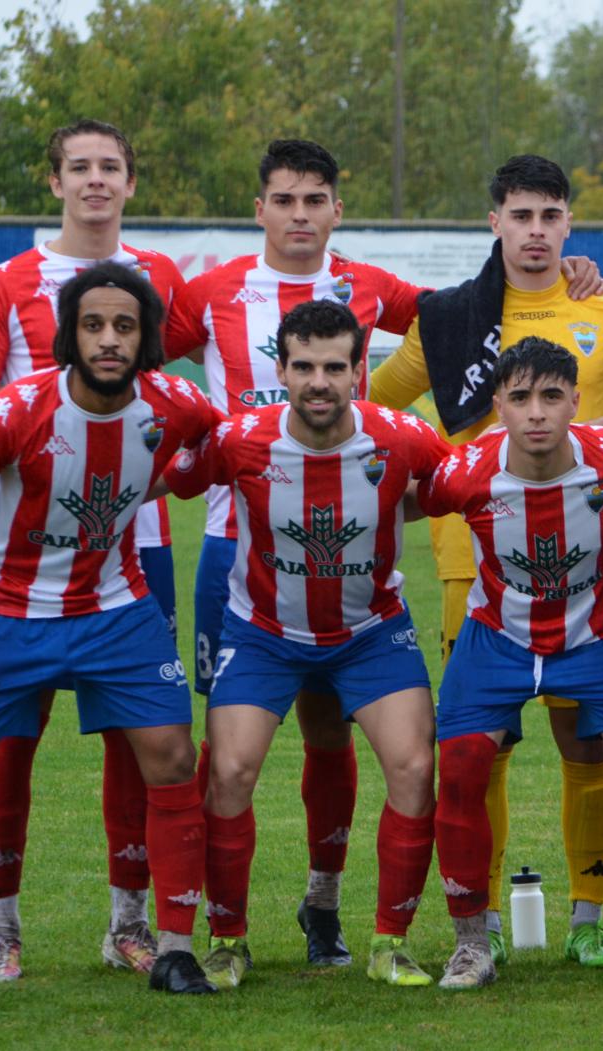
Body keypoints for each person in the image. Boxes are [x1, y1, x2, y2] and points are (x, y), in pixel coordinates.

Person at [0, 262, 224, 1001]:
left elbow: (213, 447)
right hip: (7, 616)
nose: (109, 340)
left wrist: (174, 479)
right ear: (68, 336)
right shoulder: (17, 409)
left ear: (147, 340)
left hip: (116, 609)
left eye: (125, 326)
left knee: (173, 755)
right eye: (93, 325)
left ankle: (171, 948)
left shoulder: (174, 401)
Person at [368, 155, 603, 969]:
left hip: (583, 573)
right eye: (520, 215)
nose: (536, 231)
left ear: (569, 222)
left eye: (550, 215)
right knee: (480, 748)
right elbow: (376, 404)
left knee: (587, 744)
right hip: (474, 564)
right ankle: (484, 923)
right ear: (493, 221)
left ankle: (589, 918)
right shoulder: (450, 317)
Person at [164, 139, 425, 967]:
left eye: (316, 199)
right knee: (226, 757)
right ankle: (206, 926)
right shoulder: (211, 294)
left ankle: (325, 905)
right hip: (236, 551)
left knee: (330, 738)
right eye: (285, 199)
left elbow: (468, 320)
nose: (301, 214)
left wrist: (570, 278)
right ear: (261, 208)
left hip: (355, 568)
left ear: (337, 209)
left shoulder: (372, 291)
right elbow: (133, 358)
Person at [0, 119, 184, 980]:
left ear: (130, 182)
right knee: (4, 744)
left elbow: (192, 384)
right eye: (78, 167)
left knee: (142, 742)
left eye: (109, 167)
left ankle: (129, 921)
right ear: (55, 182)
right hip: (22, 555)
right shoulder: (8, 280)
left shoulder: (160, 279)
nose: (95, 180)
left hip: (135, 547)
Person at [416, 337, 603, 990]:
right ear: (498, 407)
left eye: (552, 396)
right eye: (520, 397)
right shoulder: (465, 471)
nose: (536, 412)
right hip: (495, 641)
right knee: (460, 769)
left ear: (577, 403)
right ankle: (471, 945)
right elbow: (404, 499)